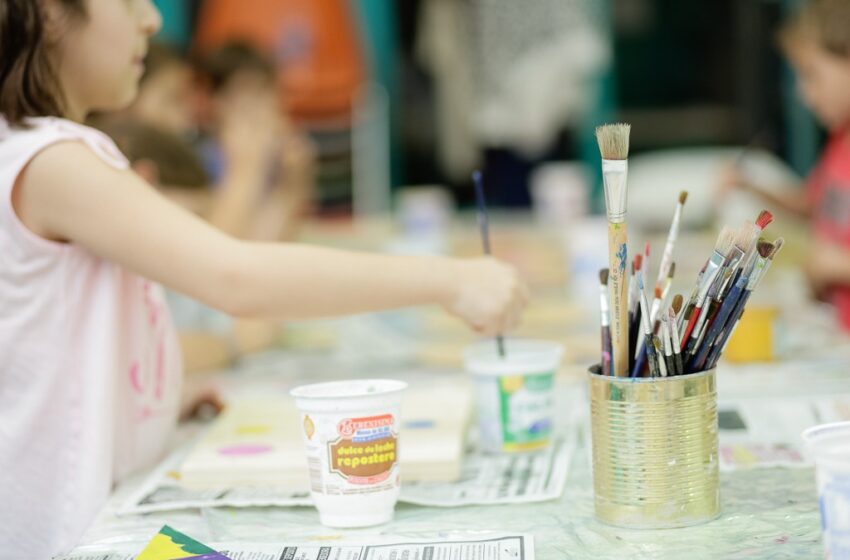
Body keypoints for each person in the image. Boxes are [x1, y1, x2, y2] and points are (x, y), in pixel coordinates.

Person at [0, 1, 528, 557]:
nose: (151, 20)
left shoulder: (34, 152)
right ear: (50, 13)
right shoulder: (53, 158)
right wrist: (450, 280)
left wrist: (146, 402)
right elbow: (235, 276)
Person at [720, 0, 850, 330]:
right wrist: (749, 185)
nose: (804, 95)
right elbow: (813, 203)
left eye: (812, 75)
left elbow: (831, 261)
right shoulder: (840, 142)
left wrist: (835, 264)